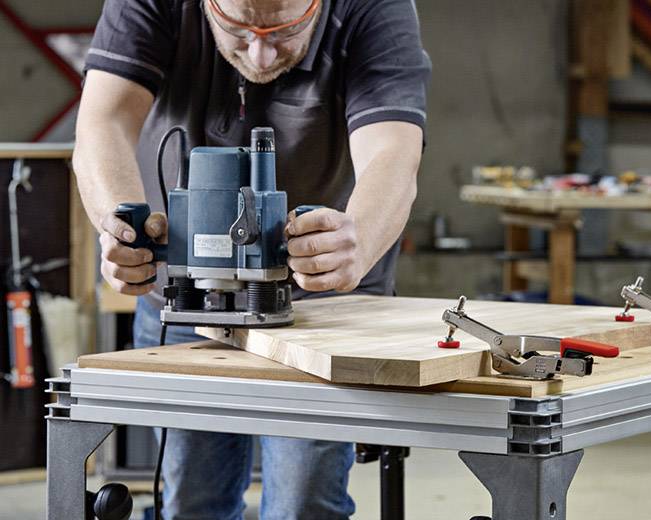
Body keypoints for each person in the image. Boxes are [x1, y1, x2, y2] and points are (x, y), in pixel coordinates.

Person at [72, 0, 430, 517]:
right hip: (188, 293)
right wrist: (122, 227)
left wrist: (362, 239)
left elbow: (394, 153)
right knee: (193, 501)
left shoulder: (375, 8)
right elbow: (101, 123)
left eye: (284, 31)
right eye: (239, 30)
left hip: (321, 298)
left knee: (304, 502)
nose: (261, 56)